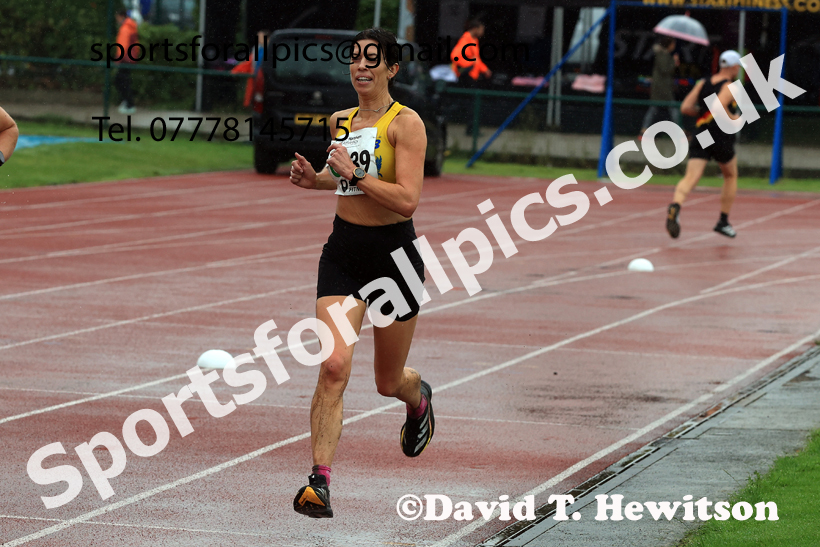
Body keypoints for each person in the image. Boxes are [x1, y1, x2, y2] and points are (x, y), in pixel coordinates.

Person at [288, 28, 433, 519]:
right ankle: (319, 482)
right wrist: (317, 182)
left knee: (387, 382)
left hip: (395, 259)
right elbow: (345, 182)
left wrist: (351, 173)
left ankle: (417, 400)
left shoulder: (406, 124)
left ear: (392, 69)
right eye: (354, 58)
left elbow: (406, 199)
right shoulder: (341, 119)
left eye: (373, 59)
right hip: (344, 252)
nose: (361, 66)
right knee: (332, 368)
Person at [666, 50, 743, 239]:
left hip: (702, 134)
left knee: (691, 177)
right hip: (720, 135)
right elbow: (718, 107)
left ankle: (675, 206)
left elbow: (685, 107)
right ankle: (723, 221)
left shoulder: (703, 83)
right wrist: (734, 117)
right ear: (733, 67)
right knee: (731, 175)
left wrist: (702, 113)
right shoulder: (731, 86)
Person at [640, 37, 679, 139]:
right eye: (673, 43)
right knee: (670, 109)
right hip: (661, 89)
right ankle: (680, 132)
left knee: (655, 109)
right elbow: (665, 69)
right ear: (669, 44)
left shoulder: (664, 54)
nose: (674, 45)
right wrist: (674, 62)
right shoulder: (661, 54)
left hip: (664, 88)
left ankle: (644, 130)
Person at [231, 29, 269, 114]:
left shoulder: (271, 50)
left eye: (261, 37)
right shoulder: (257, 50)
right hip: (256, 82)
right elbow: (248, 63)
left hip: (266, 82)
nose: (259, 39)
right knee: (256, 102)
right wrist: (236, 71)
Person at [450, 19, 492, 83]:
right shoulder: (465, 39)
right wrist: (469, 64)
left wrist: (485, 69)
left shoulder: (474, 40)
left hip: (473, 76)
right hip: (464, 76)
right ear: (475, 29)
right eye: (481, 29)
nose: (482, 32)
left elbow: (476, 59)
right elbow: (454, 56)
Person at [114, 9, 139, 114]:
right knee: (124, 81)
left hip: (125, 59)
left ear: (121, 16)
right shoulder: (131, 27)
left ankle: (129, 103)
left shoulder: (125, 28)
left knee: (120, 81)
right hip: (130, 58)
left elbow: (122, 46)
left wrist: (118, 59)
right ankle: (128, 102)